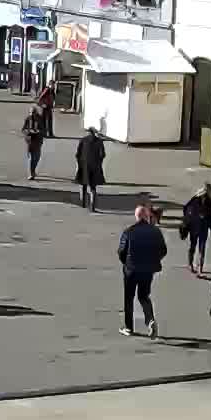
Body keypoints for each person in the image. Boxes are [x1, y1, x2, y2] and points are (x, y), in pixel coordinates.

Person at [116, 205, 166, 338]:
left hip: (131, 269)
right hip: (148, 270)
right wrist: (153, 260)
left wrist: (126, 263)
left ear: (136, 216)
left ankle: (128, 327)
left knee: (129, 298)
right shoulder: (155, 231)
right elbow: (163, 250)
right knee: (144, 296)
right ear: (146, 216)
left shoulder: (128, 232)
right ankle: (150, 320)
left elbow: (121, 251)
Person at [182, 183, 211, 274]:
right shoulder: (195, 199)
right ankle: (191, 264)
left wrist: (209, 219)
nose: (210, 192)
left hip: (203, 228)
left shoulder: (208, 201)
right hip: (194, 227)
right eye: (209, 190)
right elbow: (186, 209)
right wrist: (193, 218)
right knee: (194, 246)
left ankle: (199, 267)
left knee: (201, 247)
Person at [74, 127, 106, 211]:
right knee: (93, 187)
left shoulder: (83, 140)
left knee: (83, 185)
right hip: (94, 166)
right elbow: (102, 154)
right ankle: (92, 206)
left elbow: (77, 154)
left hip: (84, 165)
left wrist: (78, 165)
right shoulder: (99, 141)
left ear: (88, 132)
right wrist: (99, 163)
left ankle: (83, 203)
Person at [22, 108, 45, 181]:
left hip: (38, 140)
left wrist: (39, 132)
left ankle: (33, 169)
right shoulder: (28, 119)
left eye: (33, 114)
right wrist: (27, 132)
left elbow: (44, 130)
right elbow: (23, 129)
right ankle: (31, 173)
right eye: (30, 114)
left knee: (37, 157)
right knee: (32, 158)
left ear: (36, 113)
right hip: (30, 140)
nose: (32, 116)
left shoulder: (40, 119)